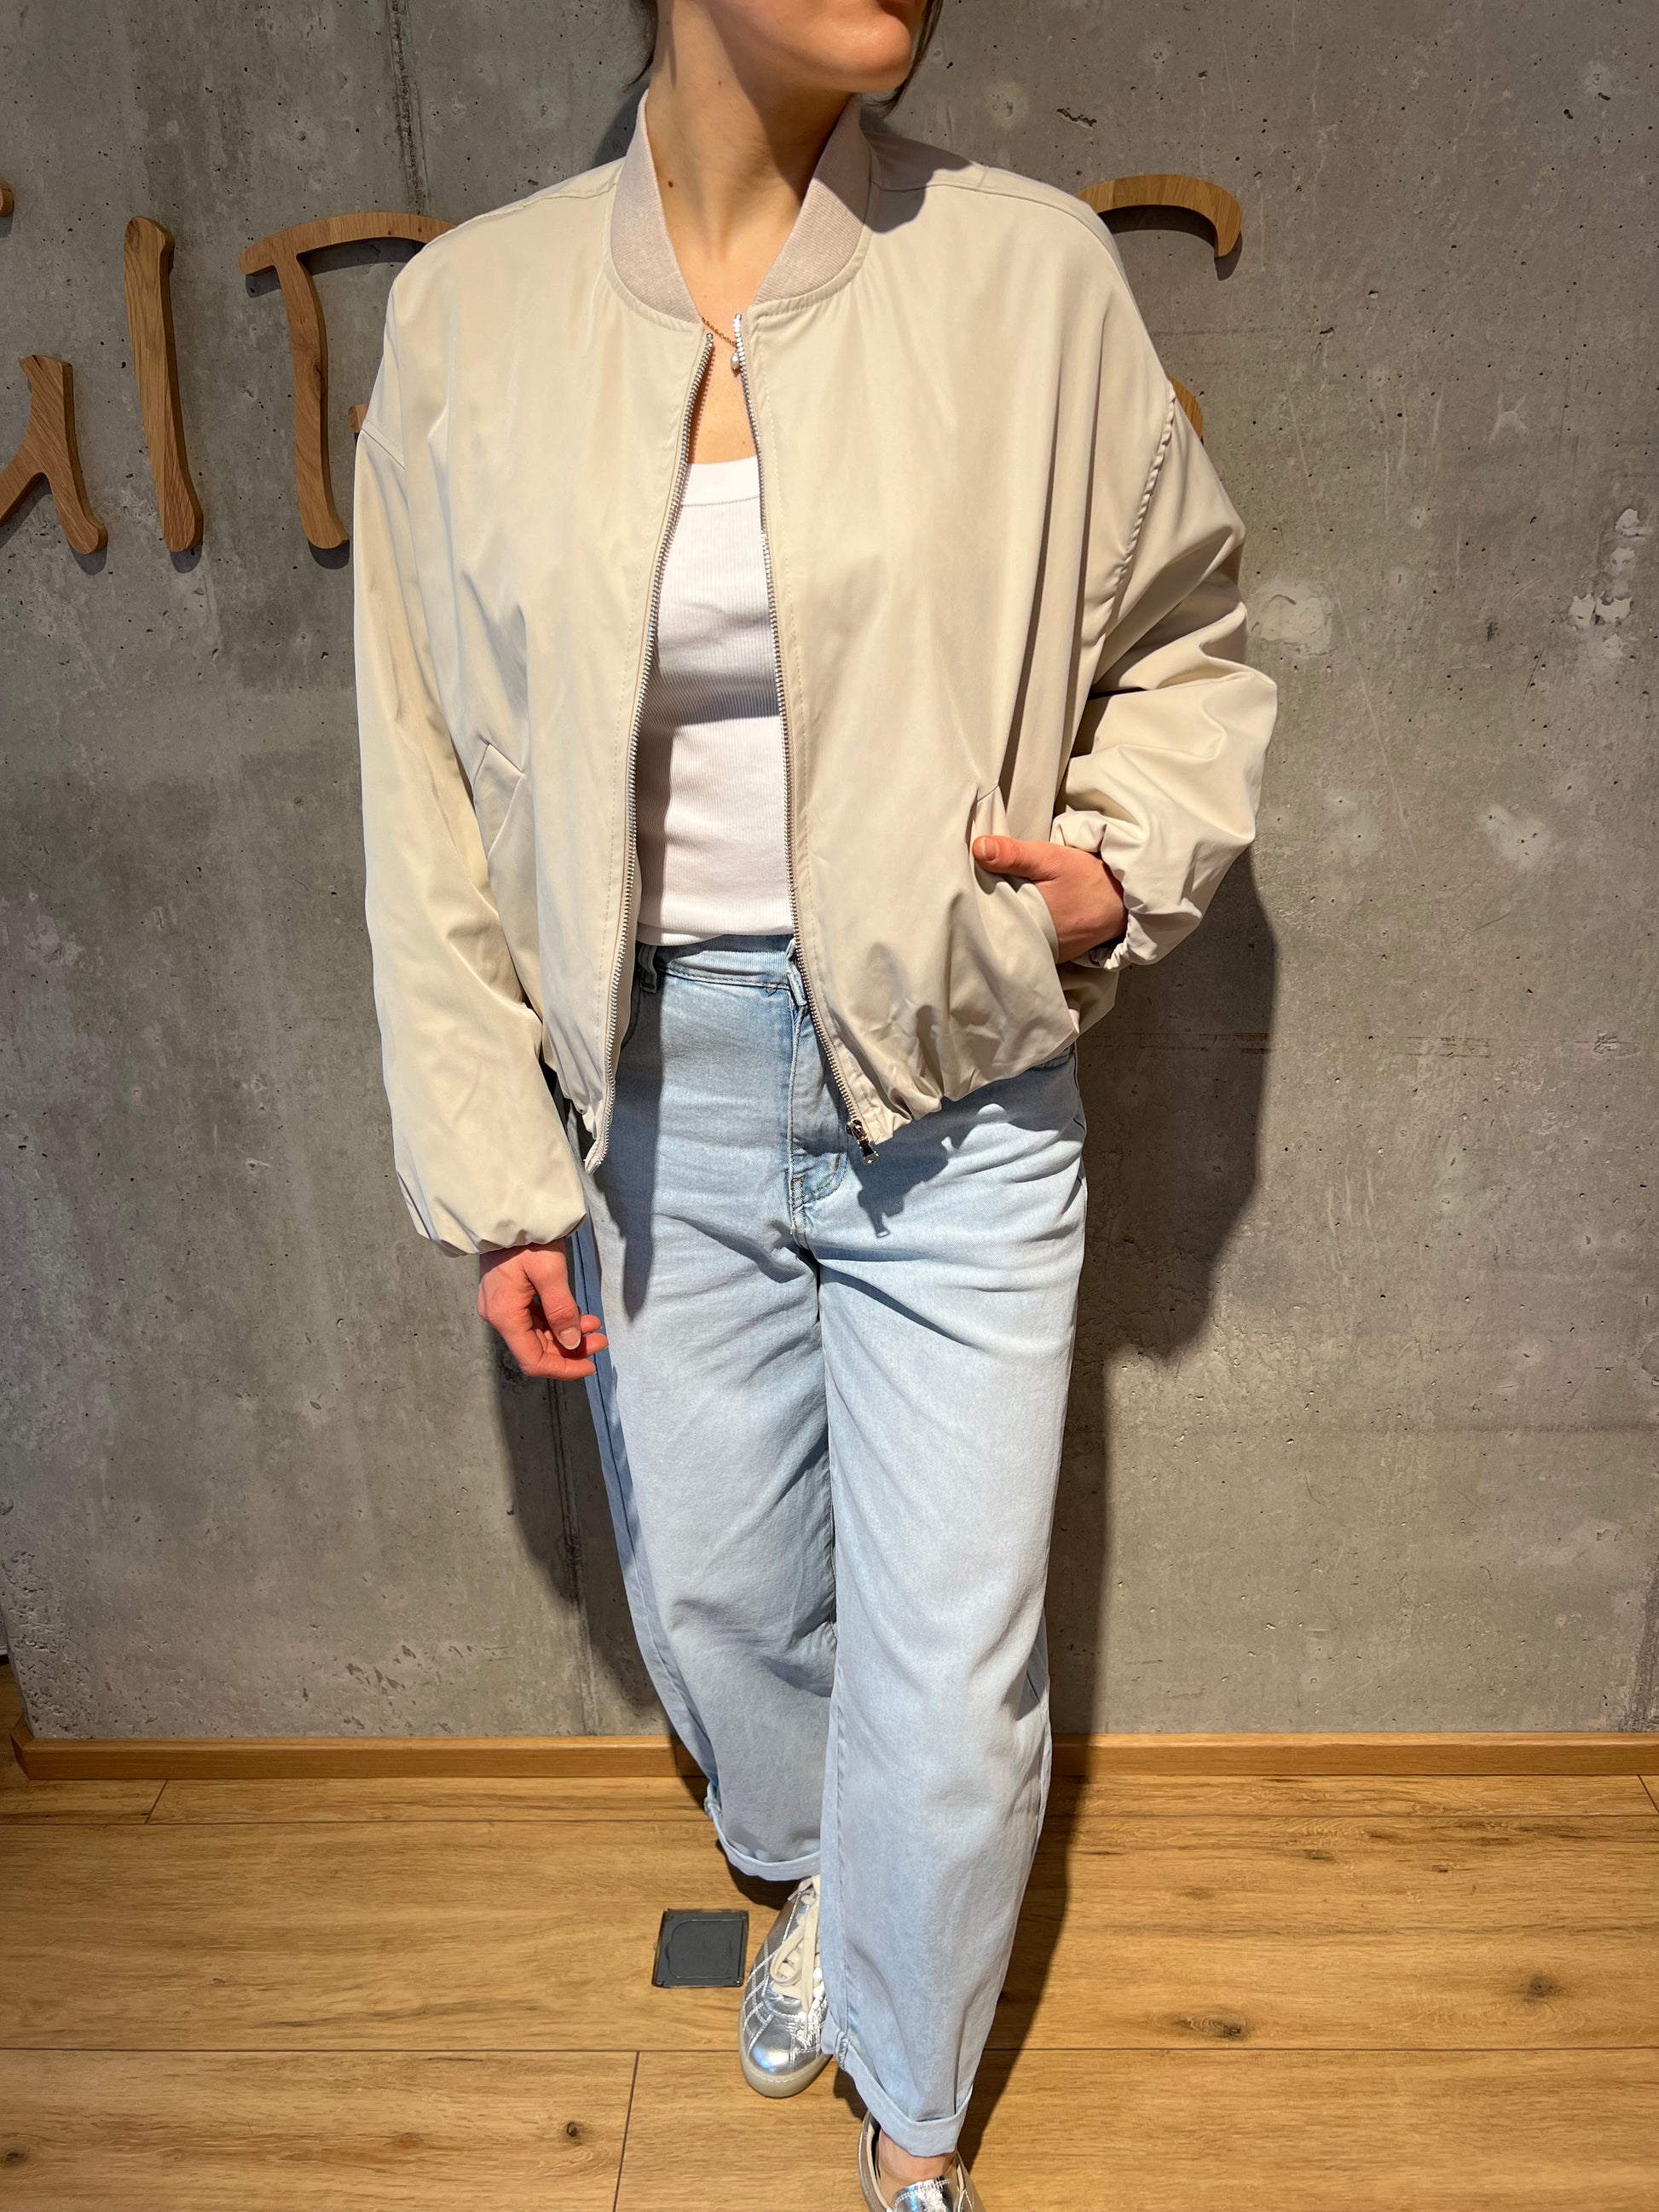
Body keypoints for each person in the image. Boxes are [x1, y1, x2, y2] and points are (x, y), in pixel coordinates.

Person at [352, 1, 1275, 2202]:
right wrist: (499, 1174)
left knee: (950, 1676)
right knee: (723, 1608)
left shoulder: (1024, 271)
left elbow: (1187, 641)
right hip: (650, 1087)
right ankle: (821, 1881)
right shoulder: (470, 318)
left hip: (956, 1079)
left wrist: (1118, 864)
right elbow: (423, 783)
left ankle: (916, 2122)